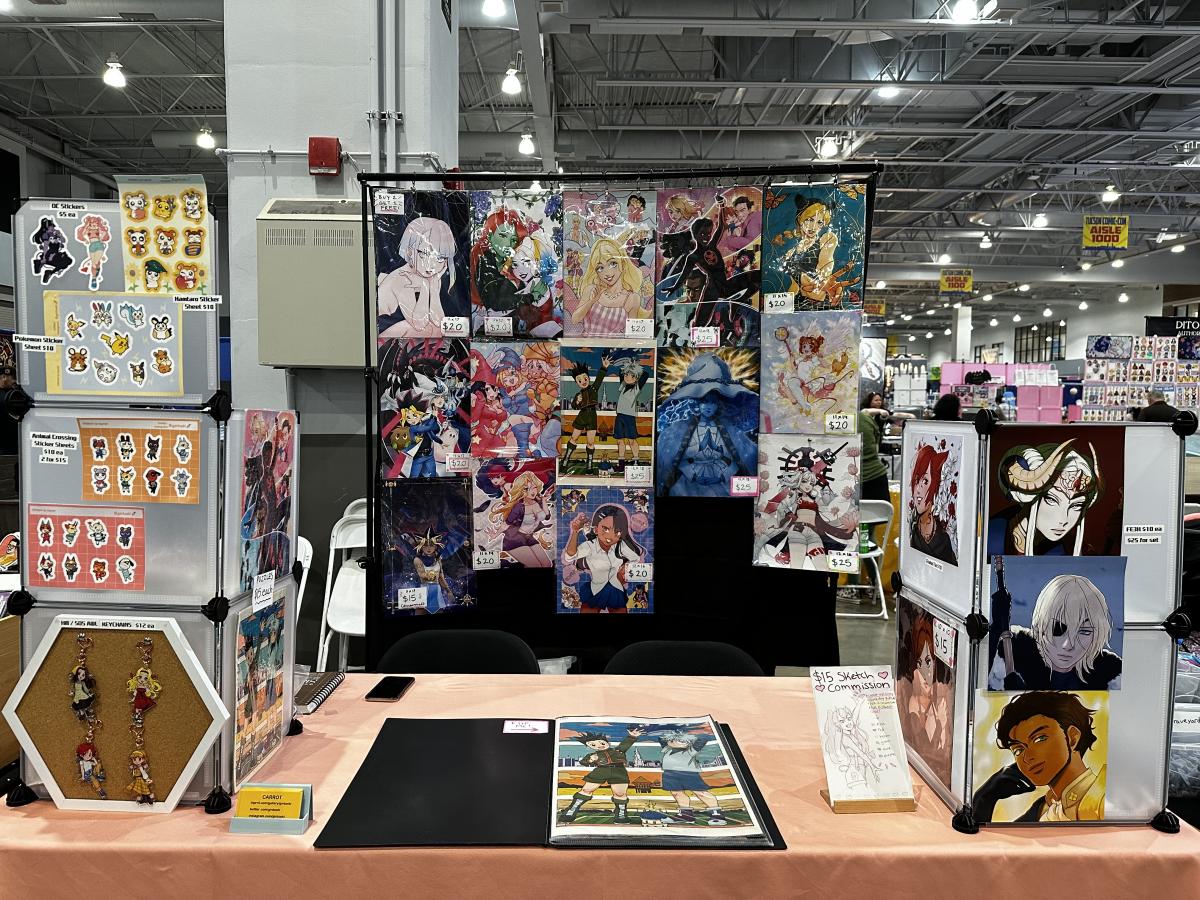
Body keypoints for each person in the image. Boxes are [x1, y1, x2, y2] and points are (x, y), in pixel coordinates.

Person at [971, 691, 1105, 822]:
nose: (1027, 757)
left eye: (1039, 739)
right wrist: (984, 798)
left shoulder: (1103, 798)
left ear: (1072, 737)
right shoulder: (1041, 810)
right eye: (1018, 750)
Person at [988, 563, 1121, 690]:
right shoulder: (1010, 654)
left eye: (1084, 631)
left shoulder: (1111, 674)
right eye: (1057, 629)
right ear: (1040, 626)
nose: (1068, 645)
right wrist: (996, 630)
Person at [988, 439, 1102, 556]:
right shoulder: (989, 539)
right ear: (1029, 495)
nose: (1063, 520)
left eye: (1076, 505)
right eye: (1051, 499)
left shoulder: (1068, 547)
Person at [558, 726, 647, 824]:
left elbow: (626, 743)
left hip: (619, 771)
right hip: (600, 770)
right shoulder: (593, 755)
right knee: (586, 790)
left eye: (602, 743)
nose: (599, 746)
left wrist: (632, 736)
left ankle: (621, 815)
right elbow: (584, 761)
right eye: (593, 744)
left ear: (607, 743)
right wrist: (591, 759)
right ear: (589, 747)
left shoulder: (618, 751)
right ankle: (571, 810)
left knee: (620, 793)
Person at [908, 442, 958, 565]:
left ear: (935, 486)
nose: (918, 489)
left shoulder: (943, 539)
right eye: (916, 480)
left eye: (925, 481)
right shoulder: (913, 530)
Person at [857, 393, 891, 502]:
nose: (879, 402)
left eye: (880, 400)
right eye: (876, 400)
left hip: (855, 477)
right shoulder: (863, 416)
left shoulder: (861, 417)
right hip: (875, 476)